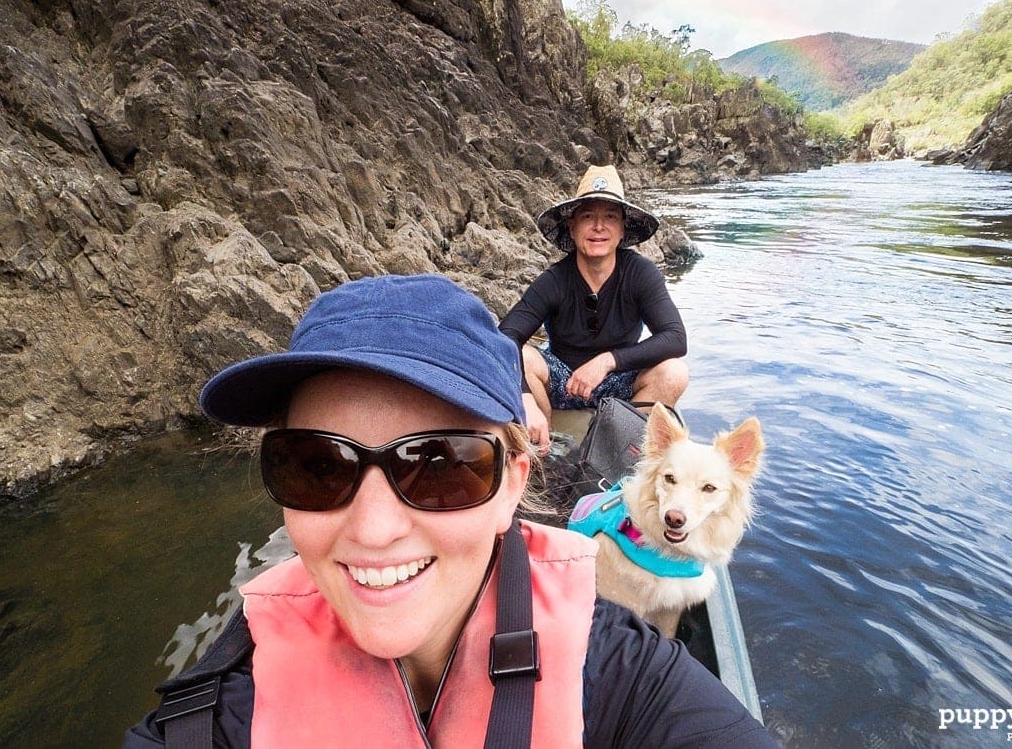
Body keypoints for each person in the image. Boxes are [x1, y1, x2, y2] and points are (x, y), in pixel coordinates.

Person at [123, 274, 776, 748]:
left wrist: (607, 360)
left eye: (443, 466)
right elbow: (522, 323)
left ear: (512, 485)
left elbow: (671, 339)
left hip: (607, 378)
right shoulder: (219, 715)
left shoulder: (617, 675)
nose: (375, 530)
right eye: (319, 465)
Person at [499, 165, 689, 452]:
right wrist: (524, 397)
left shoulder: (640, 273)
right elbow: (505, 336)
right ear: (572, 228)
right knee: (524, 356)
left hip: (619, 379)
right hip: (562, 381)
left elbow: (675, 337)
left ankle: (620, 452)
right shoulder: (555, 280)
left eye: (610, 217)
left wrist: (607, 361)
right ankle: (544, 447)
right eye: (588, 216)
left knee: (674, 372)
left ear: (622, 228)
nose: (598, 227)